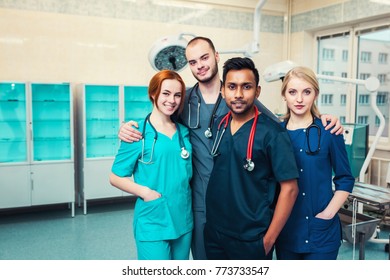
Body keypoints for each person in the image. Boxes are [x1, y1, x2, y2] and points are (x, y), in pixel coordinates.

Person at [118, 37, 343, 260]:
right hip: (200, 204)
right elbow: (159, 117)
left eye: (204, 57)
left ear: (216, 57)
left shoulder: (246, 103)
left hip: (246, 210)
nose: (200, 65)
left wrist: (322, 119)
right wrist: (126, 127)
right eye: (193, 62)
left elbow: (285, 121)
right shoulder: (183, 99)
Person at [204, 57, 299, 260]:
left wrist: (269, 240)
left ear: (257, 91)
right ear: (223, 90)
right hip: (215, 233)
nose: (238, 94)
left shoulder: (272, 134)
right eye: (232, 86)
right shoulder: (218, 126)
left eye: (246, 87)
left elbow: (290, 189)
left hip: (251, 238)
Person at [109, 70, 193, 260]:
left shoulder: (184, 132)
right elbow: (115, 177)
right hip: (153, 219)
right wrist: (146, 193)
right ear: (153, 93)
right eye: (166, 93)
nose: (172, 100)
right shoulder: (137, 133)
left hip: (183, 218)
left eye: (177, 95)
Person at [275, 66, 354, 260]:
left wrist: (328, 214)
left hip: (322, 234)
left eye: (306, 92)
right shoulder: (275, 133)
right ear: (284, 95)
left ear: (316, 94)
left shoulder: (329, 131)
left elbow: (345, 179)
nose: (299, 99)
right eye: (293, 92)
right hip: (287, 231)